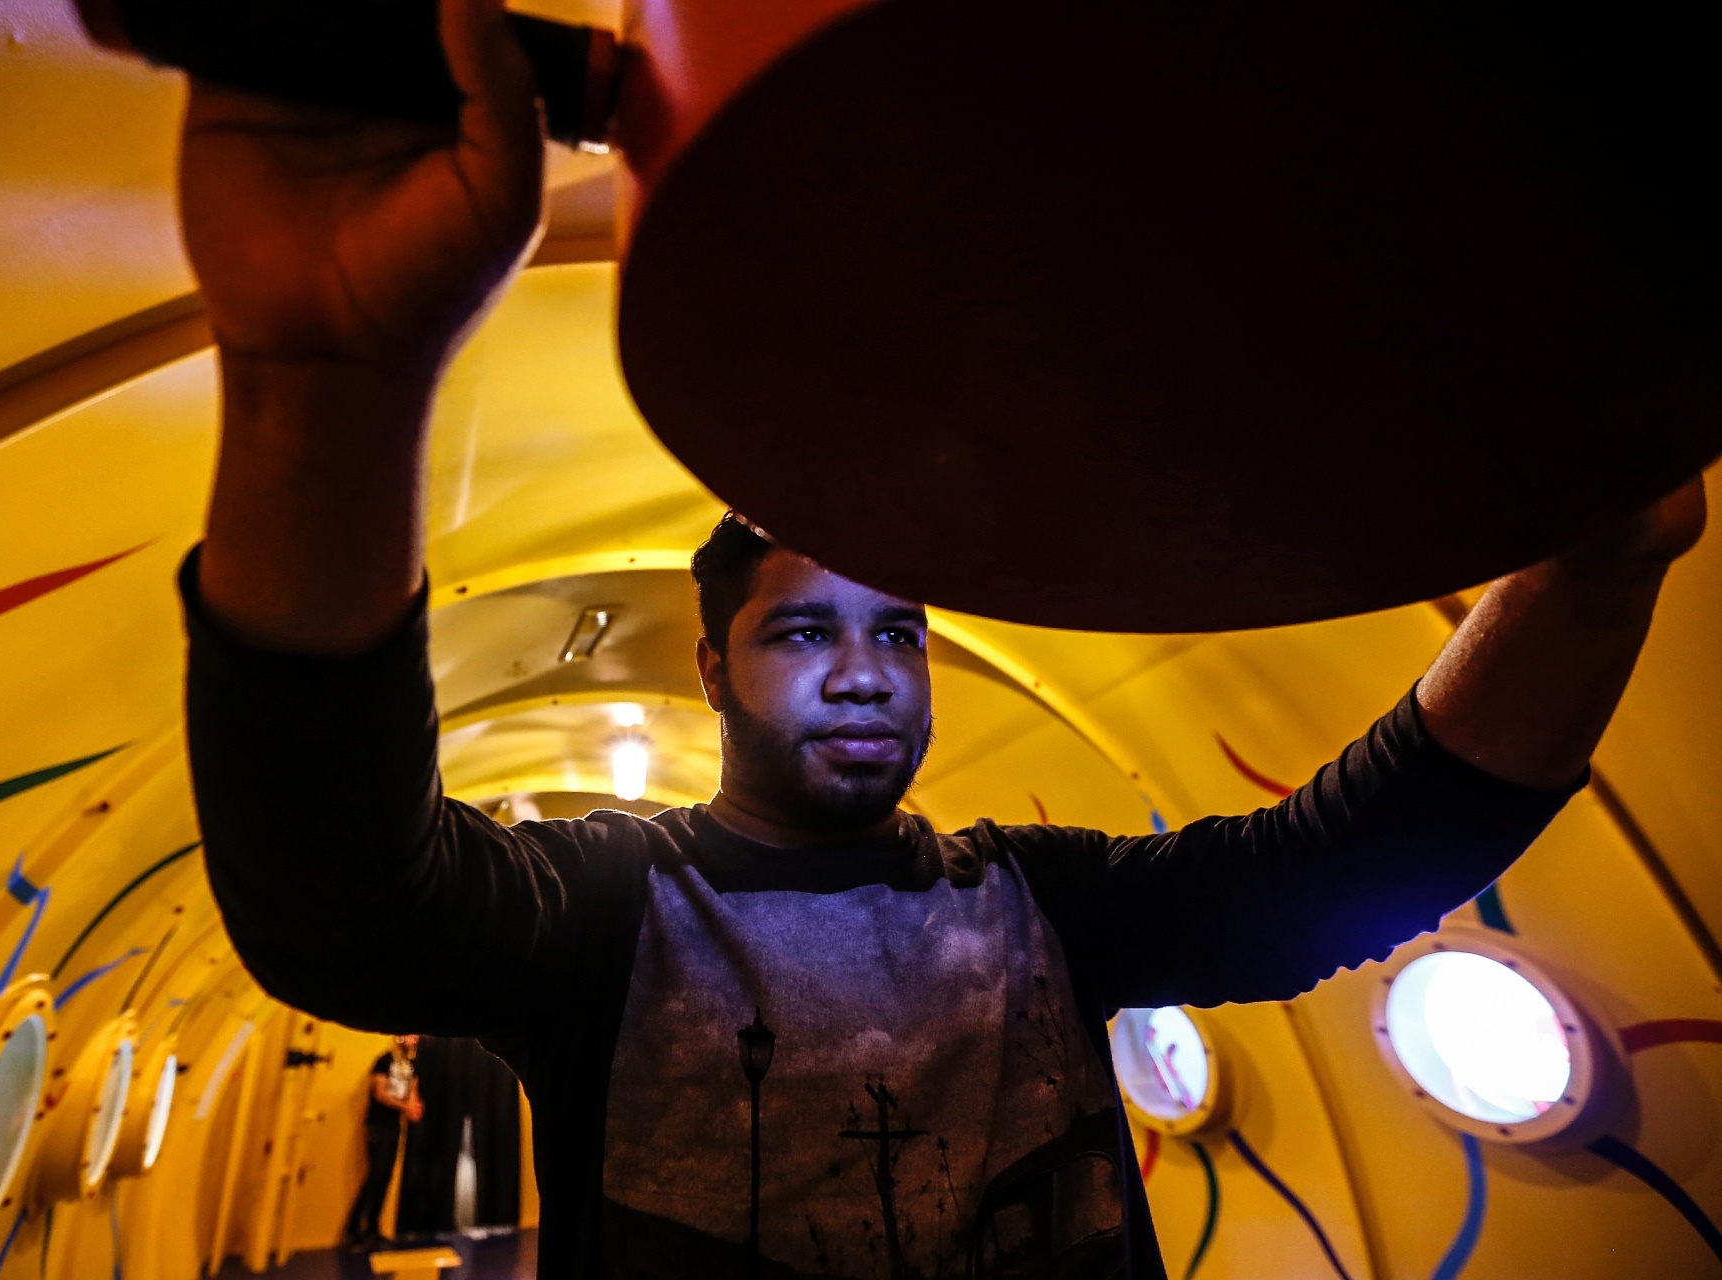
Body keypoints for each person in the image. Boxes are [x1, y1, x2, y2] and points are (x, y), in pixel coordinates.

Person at [174, 1, 1711, 1275]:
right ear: (711, 670)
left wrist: (1590, 579)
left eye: (900, 635)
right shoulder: (609, 906)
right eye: (804, 633)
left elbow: (1339, 871)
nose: (865, 670)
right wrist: (325, 382)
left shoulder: (1037, 901)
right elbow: (342, 908)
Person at [347, 1036, 424, 1249]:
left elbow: (413, 1093)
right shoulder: (384, 1060)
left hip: (394, 1127)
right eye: (411, 1035)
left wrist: (414, 1107)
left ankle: (373, 1229)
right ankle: (353, 1229)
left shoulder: (412, 1066)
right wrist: (405, 1107)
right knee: (376, 1175)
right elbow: (380, 1093)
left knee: (386, 1177)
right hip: (377, 1125)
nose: (415, 1039)